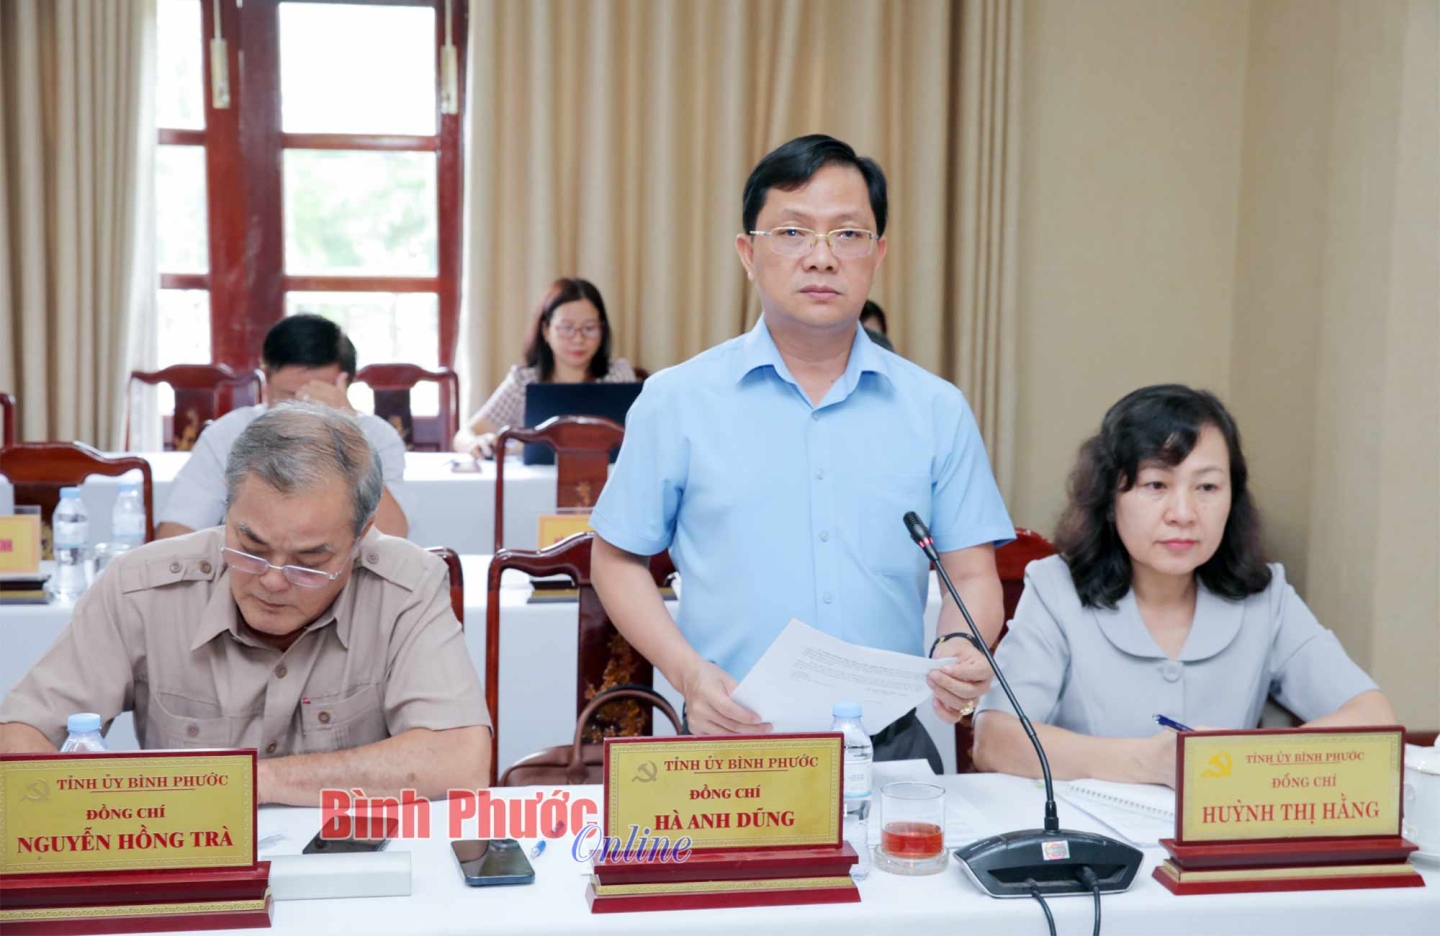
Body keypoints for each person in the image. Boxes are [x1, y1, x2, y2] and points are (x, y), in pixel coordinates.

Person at [589, 135, 1015, 771]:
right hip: (731, 740)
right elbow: (617, 558)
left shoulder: (936, 409)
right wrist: (687, 673)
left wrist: (959, 644)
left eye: (848, 235)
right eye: (792, 233)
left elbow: (972, 572)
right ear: (748, 254)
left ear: (878, 254)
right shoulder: (676, 401)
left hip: (890, 746)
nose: (821, 257)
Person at [0, 404, 491, 803]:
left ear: (361, 538)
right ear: (227, 510)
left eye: (310, 560)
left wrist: (250, 782)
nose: (273, 581)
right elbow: (20, 736)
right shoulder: (140, 586)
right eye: (251, 548)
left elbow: (459, 762)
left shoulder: (407, 585)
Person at [972, 384, 1395, 786]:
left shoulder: (1266, 596)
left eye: (1207, 487)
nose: (1184, 513)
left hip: (1222, 832)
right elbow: (995, 741)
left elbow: (1372, 718)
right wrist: (1151, 762)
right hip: (1086, 835)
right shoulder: (1056, 587)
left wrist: (1250, 764)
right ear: (1109, 499)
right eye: (1156, 485)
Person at [156, 314, 412, 539]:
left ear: (345, 384)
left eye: (317, 395)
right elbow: (176, 533)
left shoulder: (376, 437)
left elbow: (393, 536)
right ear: (266, 380)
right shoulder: (229, 434)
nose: (303, 408)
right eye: (290, 395)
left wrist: (347, 433)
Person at [453, 277, 636, 458]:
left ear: (602, 330)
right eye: (567, 328)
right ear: (546, 330)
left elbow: (644, 436)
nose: (578, 339)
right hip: (537, 478)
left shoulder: (618, 376)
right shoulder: (524, 381)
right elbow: (465, 434)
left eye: (589, 328)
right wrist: (476, 443)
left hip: (608, 476)